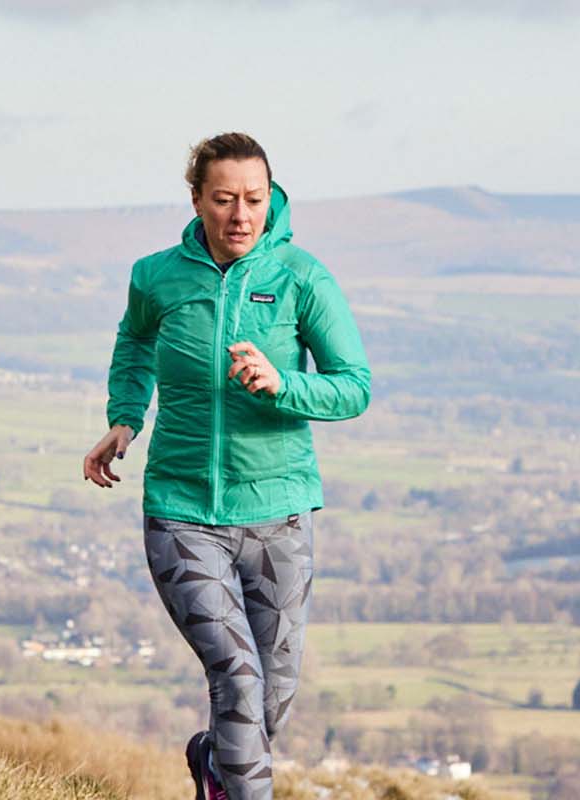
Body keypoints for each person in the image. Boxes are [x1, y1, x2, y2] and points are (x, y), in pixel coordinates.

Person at [82, 132, 372, 800]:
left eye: (254, 199)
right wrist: (125, 417)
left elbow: (354, 385)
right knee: (237, 676)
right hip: (182, 512)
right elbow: (133, 344)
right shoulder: (157, 276)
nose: (241, 214)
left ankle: (212, 760)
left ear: (272, 199)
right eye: (224, 200)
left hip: (280, 514)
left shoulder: (302, 277)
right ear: (196, 201)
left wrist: (283, 385)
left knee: (274, 695)